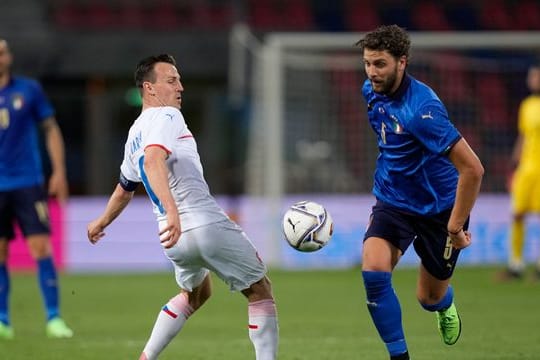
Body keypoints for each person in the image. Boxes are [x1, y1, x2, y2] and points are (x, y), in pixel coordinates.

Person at [87, 54, 278, 360]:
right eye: (172, 80)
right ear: (149, 88)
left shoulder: (134, 133)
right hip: (200, 224)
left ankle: (146, 356)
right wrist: (173, 209)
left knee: (197, 293)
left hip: (172, 240)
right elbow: (153, 160)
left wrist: (100, 222)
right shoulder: (168, 117)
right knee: (260, 290)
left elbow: (125, 189)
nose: (181, 87)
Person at [356, 25, 484, 360]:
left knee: (428, 298)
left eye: (379, 64)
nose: (372, 72)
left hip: (439, 208)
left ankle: (445, 304)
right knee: (373, 270)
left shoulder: (424, 110)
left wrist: (454, 227)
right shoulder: (370, 91)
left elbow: (473, 169)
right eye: (367, 63)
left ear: (402, 62)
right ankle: (400, 357)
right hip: (393, 200)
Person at [0, 39, 73, 339]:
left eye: (2, 51)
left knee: (40, 248)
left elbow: (51, 128)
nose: (0, 56)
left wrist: (59, 171)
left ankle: (54, 318)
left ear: (9, 56)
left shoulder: (28, 90)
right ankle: (2, 320)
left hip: (28, 182)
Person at [502, 61, 540, 279]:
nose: (533, 80)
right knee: (517, 214)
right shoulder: (526, 105)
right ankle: (515, 265)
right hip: (527, 169)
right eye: (532, 76)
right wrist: (514, 163)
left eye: (536, 76)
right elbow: (524, 137)